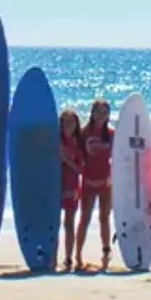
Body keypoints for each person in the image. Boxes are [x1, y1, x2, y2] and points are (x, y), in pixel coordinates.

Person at [78, 100, 116, 272]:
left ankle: (106, 253)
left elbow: (120, 159)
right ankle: (77, 256)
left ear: (108, 115)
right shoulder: (84, 133)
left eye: (104, 112)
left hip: (105, 182)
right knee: (85, 218)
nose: (101, 115)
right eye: (98, 112)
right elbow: (78, 158)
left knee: (104, 218)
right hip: (88, 182)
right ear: (92, 113)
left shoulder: (111, 134)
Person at [60, 105, 94, 271]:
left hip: (72, 186)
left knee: (69, 223)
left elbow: (81, 169)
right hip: (54, 187)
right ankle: (51, 256)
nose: (68, 126)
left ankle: (68, 257)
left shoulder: (78, 144)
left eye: (71, 123)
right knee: (53, 222)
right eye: (65, 122)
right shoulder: (56, 141)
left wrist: (66, 160)